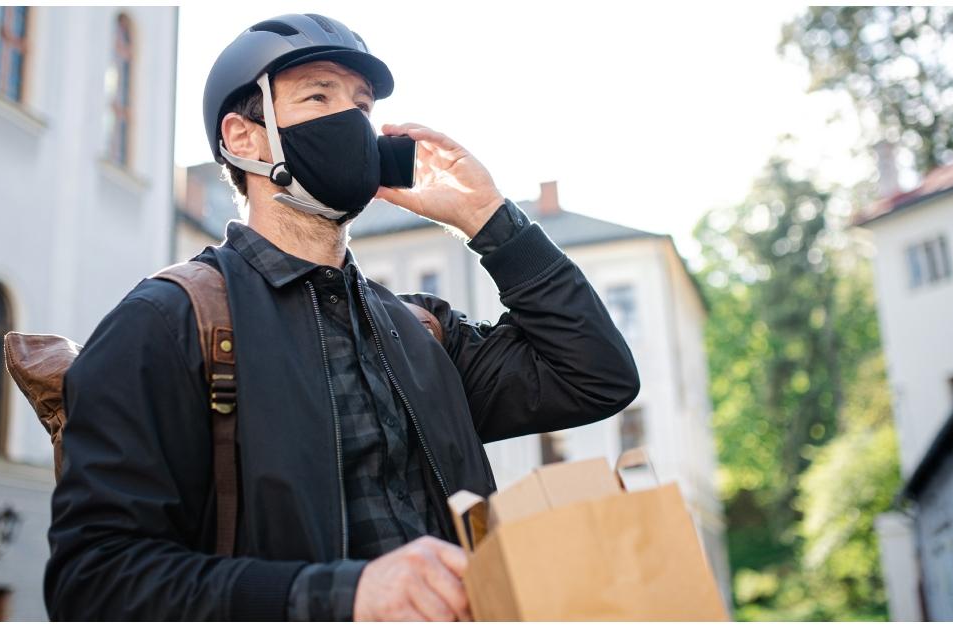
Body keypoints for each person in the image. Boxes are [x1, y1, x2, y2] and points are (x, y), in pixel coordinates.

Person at [44, 13, 639, 621]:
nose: (352, 121)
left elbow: (594, 376)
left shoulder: (420, 332)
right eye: (318, 96)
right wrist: (344, 595)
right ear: (244, 138)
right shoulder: (167, 322)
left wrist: (489, 218)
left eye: (362, 104)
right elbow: (95, 581)